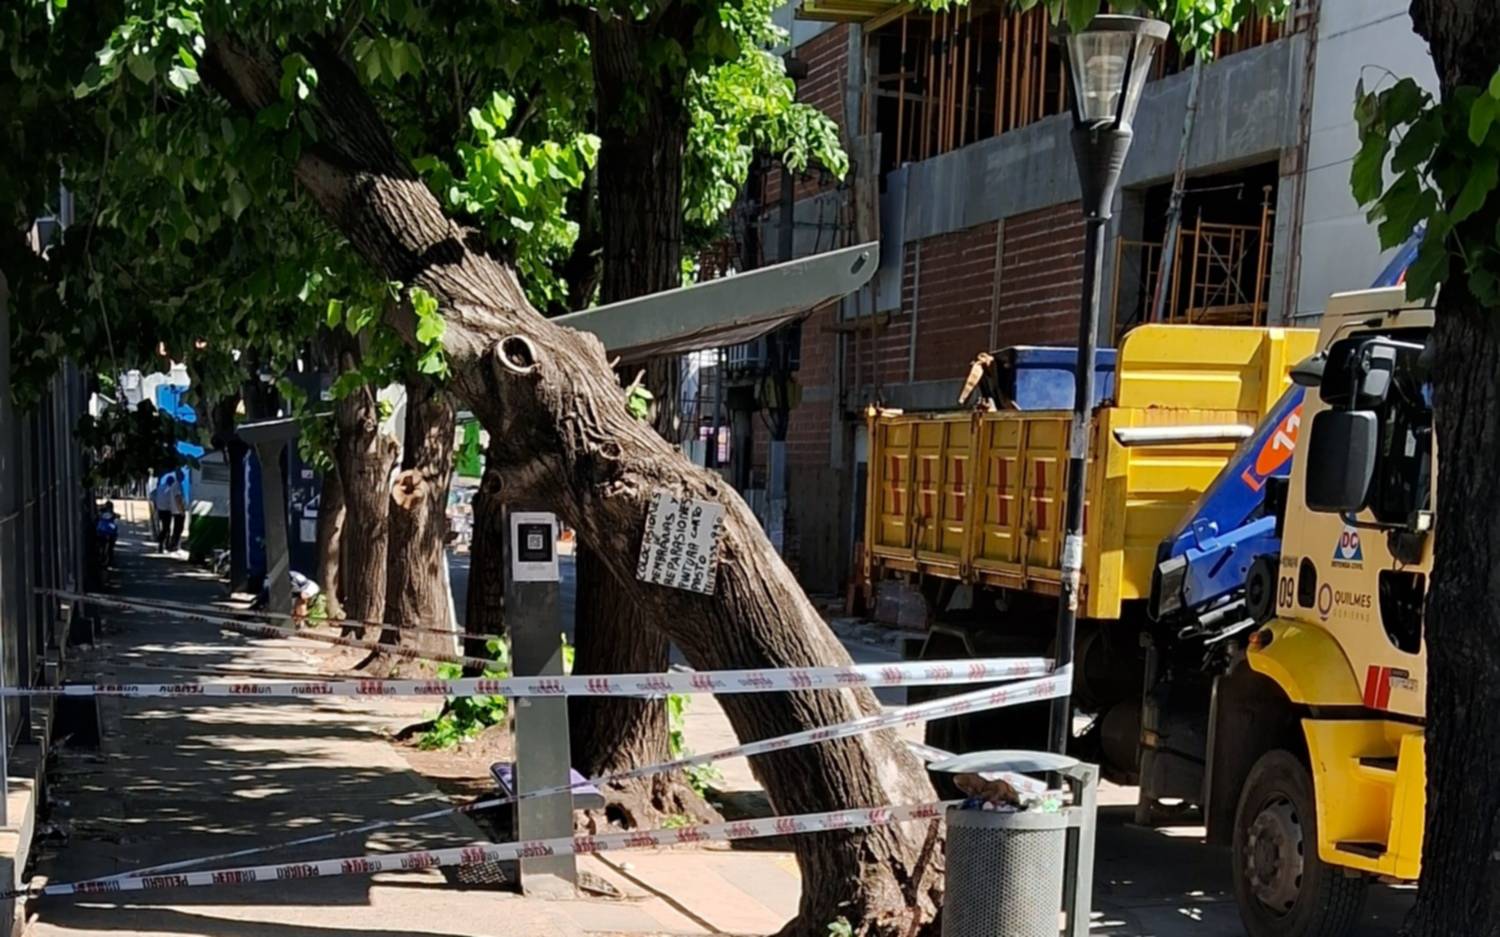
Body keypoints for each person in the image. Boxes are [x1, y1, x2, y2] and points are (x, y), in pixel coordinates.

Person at [152, 472, 186, 553]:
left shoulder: (160, 487)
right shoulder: (171, 489)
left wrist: (156, 503)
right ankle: (164, 544)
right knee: (167, 528)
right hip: (167, 510)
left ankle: (164, 543)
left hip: (160, 510)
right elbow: (175, 499)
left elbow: (152, 495)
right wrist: (181, 510)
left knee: (165, 528)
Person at [94, 500, 119, 569]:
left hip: (106, 532)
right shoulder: (103, 512)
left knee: (111, 544)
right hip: (103, 531)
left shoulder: (111, 514)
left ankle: (108, 559)